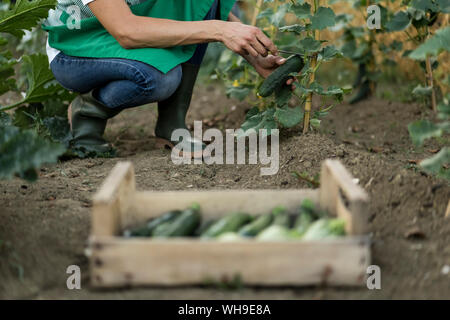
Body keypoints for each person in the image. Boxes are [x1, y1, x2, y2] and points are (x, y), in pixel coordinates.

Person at [44, 0, 295, 157]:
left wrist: (254, 55)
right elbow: (127, 31)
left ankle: (172, 124)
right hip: (76, 47)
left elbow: (203, 6)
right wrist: (218, 31)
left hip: (125, 32)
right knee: (157, 78)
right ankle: (89, 110)